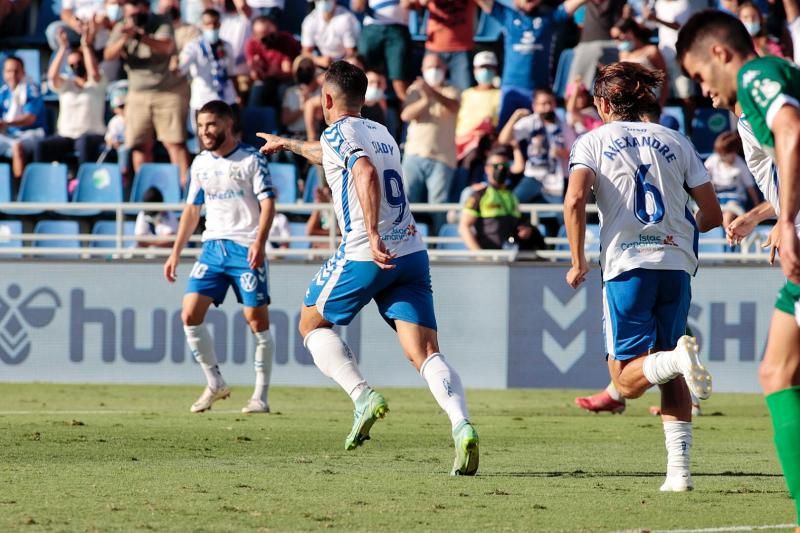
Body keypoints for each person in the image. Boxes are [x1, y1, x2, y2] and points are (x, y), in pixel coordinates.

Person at [256, 60, 479, 475]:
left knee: (311, 324)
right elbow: (331, 157)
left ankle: (362, 396)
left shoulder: (338, 132)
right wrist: (286, 144)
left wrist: (373, 233)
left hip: (366, 251)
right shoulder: (380, 132)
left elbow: (361, 171)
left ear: (326, 99)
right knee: (425, 352)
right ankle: (461, 424)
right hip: (410, 252)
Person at [564, 62, 722, 491]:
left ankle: (676, 359)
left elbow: (575, 199)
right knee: (666, 370)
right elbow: (711, 216)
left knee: (625, 381)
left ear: (601, 103)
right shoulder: (677, 140)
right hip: (676, 266)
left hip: (627, 266)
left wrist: (578, 260)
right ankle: (680, 474)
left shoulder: (592, 141)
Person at [678, 10, 800, 522]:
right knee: (778, 372)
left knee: (777, 373)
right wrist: (767, 213)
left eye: (702, 76)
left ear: (721, 54)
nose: (704, 91)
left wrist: (787, 220)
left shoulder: (756, 75)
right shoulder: (777, 79)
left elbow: (792, 133)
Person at [163, 100, 276, 415]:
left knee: (256, 321)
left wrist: (260, 242)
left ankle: (260, 396)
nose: (205, 131)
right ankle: (215, 382)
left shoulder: (251, 160)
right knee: (189, 314)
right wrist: (175, 253)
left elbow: (268, 204)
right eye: (200, 126)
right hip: (213, 248)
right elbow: (191, 210)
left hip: (246, 247)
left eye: (211, 124)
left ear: (228, 124)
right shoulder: (200, 163)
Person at [104, 0, 191, 187]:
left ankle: (183, 192)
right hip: (137, 94)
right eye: (130, 11)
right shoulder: (122, 26)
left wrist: (140, 36)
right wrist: (124, 38)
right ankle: (147, 192)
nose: (134, 15)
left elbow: (166, 46)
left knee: (174, 143)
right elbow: (108, 55)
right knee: (139, 145)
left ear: (145, 7)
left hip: (168, 92)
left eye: (137, 10)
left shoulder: (161, 21)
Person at [475, 0, 588, 128]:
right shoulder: (507, 15)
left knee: (539, 136)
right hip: (511, 90)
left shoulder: (549, 18)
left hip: (539, 93)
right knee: (505, 134)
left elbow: (572, 4)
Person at [401, 53, 460, 234]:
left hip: (442, 158)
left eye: (437, 67)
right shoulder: (414, 90)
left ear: (444, 69)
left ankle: (438, 245)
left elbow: (454, 106)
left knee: (438, 205)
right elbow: (406, 115)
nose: (433, 71)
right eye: (429, 67)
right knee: (406, 202)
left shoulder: (453, 90)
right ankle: (404, 244)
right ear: (422, 70)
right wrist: (426, 99)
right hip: (414, 155)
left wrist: (430, 91)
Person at [34, 26, 106, 167]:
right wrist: (62, 49)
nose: (76, 67)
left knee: (84, 143)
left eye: (79, 63)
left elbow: (94, 73)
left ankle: (82, 183)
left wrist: (85, 47)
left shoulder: (97, 84)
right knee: (41, 146)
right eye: (72, 65)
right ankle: (43, 183)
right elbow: (52, 77)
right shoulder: (66, 84)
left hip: (91, 135)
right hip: (66, 136)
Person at [459, 146, 544, 251]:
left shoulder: (512, 196)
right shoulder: (479, 195)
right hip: (489, 259)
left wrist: (527, 231)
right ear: (487, 168)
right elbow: (464, 227)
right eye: (496, 166)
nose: (501, 169)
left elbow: (520, 224)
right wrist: (479, 255)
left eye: (504, 166)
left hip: (510, 258)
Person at [179, 8, 238, 130]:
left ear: (220, 24)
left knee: (232, 137)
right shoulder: (193, 47)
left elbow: (232, 74)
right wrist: (176, 65)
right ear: (202, 25)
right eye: (208, 24)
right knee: (206, 139)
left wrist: (238, 95)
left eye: (215, 24)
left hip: (227, 100)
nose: (212, 27)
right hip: (203, 101)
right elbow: (181, 67)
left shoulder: (227, 46)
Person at [351, 0, 416, 100]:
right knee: (359, 73)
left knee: (400, 82)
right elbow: (357, 6)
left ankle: (408, 113)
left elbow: (416, 4)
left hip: (398, 30)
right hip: (371, 28)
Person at [0, 56, 46, 179]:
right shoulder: (3, 92)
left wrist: (6, 123)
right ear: (4, 73)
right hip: (9, 135)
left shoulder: (31, 89)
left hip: (32, 133)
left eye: (16, 71)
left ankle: (20, 190)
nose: (13, 75)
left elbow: (30, 118)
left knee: (17, 146)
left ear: (23, 72)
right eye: (9, 71)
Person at [705, 131, 761, 229]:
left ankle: (730, 242)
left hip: (735, 200)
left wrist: (757, 206)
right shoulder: (712, 160)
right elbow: (702, 177)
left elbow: (750, 187)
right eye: (720, 154)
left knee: (727, 219)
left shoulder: (741, 165)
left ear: (733, 152)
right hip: (717, 199)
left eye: (724, 154)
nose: (721, 157)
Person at [300, 0, 361, 69]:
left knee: (353, 62)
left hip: (344, 63)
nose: (323, 1)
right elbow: (305, 52)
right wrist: (318, 60)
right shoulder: (309, 21)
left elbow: (351, 53)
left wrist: (337, 67)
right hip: (323, 65)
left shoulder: (346, 19)